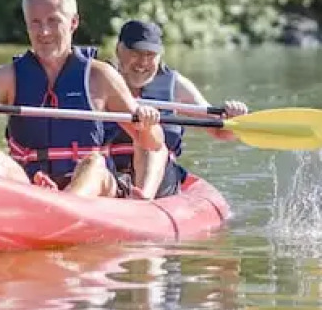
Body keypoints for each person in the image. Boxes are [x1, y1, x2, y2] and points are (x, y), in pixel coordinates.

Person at [0, 0, 165, 197]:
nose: (44, 32)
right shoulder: (7, 77)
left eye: (53, 21)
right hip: (31, 182)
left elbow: (152, 143)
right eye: (35, 22)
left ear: (73, 23)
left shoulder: (101, 76)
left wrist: (147, 125)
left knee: (94, 164)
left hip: (90, 185)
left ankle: (65, 205)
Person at [105, 20, 249, 199]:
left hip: (160, 181)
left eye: (151, 55)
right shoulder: (100, 80)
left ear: (160, 56)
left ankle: (142, 200)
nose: (143, 62)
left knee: (152, 140)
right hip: (110, 174)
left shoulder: (177, 86)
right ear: (119, 50)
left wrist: (235, 120)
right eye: (136, 53)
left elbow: (220, 133)